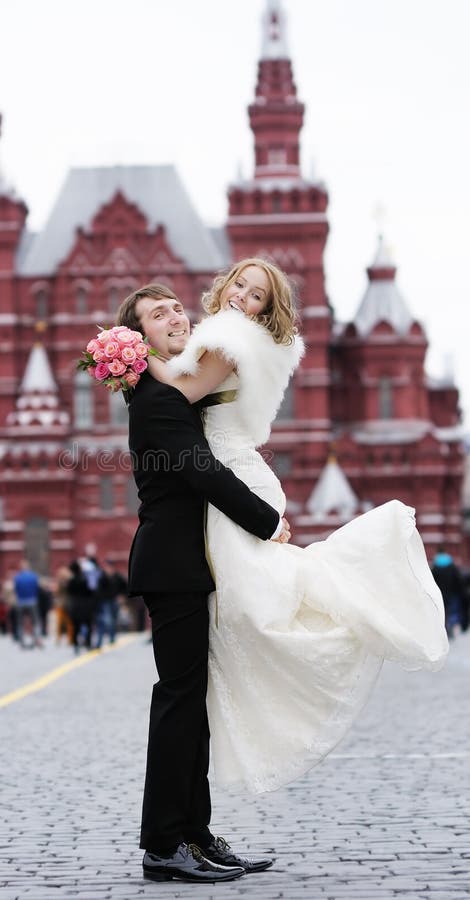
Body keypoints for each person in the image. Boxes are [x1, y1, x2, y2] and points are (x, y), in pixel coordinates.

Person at [146, 257, 448, 796]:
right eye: (239, 283)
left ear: (267, 309)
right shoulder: (261, 344)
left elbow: (176, 390)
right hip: (246, 474)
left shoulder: (227, 337)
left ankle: (325, 645)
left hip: (233, 482)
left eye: (256, 294)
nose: (242, 296)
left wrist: (126, 352)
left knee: (253, 615)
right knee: (251, 610)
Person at [117, 284, 285, 883]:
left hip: (192, 563)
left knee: (193, 707)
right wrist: (268, 523)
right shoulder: (157, 398)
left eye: (176, 308)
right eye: (157, 315)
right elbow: (200, 471)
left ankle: (194, 833)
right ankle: (163, 844)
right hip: (173, 564)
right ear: (142, 338)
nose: (175, 317)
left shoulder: (178, 391)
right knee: (179, 704)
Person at [431, 548, 465, 638]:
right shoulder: (452, 565)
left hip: (439, 594)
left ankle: (443, 629)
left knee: (441, 612)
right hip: (451, 593)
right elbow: (458, 580)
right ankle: (449, 627)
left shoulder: (435, 566)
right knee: (450, 611)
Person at [94, 559, 127, 649]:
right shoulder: (102, 577)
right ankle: (103, 640)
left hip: (114, 601)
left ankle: (112, 637)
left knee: (113, 619)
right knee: (107, 620)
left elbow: (124, 587)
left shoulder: (117, 577)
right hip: (105, 601)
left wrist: (122, 596)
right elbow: (99, 590)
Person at [13, 559, 43, 648]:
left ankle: (22, 640)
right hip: (32, 600)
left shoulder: (17, 577)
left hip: (21, 601)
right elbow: (37, 588)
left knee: (20, 622)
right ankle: (37, 638)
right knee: (36, 621)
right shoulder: (34, 576)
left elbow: (16, 589)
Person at [67, 561, 95, 653]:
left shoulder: (71, 581)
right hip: (85, 606)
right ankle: (88, 643)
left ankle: (76, 645)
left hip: (75, 606)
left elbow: (69, 593)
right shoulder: (85, 580)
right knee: (88, 625)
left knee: (76, 627)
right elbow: (90, 592)